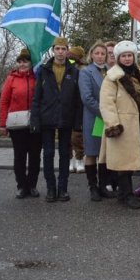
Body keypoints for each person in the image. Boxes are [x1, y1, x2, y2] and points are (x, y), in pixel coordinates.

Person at [31, 37, 82, 202]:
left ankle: (63, 188)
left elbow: (77, 99)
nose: (60, 52)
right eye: (58, 49)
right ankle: (51, 188)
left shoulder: (74, 71)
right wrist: (35, 119)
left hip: (66, 117)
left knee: (64, 154)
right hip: (47, 117)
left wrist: (77, 121)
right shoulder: (44, 70)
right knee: (48, 153)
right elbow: (37, 97)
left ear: (67, 51)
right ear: (53, 50)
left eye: (63, 49)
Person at [99, 41, 140, 209]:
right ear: (119, 58)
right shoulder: (112, 77)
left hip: (137, 124)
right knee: (123, 163)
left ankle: (124, 193)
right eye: (124, 56)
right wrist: (113, 124)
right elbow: (106, 103)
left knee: (130, 161)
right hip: (122, 125)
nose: (127, 58)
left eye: (129, 55)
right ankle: (126, 194)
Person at [0, 49, 40, 199]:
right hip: (17, 124)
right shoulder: (11, 79)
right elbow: (4, 101)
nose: (22, 64)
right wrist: (2, 124)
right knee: (20, 156)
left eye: (26, 61)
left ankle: (32, 185)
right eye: (20, 61)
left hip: (35, 122)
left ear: (31, 63)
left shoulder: (37, 76)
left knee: (35, 156)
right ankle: (21, 186)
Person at [78, 41, 115, 201]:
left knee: (104, 153)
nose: (100, 56)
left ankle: (103, 186)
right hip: (94, 117)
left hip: (108, 118)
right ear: (91, 55)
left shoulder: (111, 71)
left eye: (103, 54)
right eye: (97, 53)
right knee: (92, 153)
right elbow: (87, 98)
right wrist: (105, 112)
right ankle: (93, 187)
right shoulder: (86, 72)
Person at [68, 45, 86, 173]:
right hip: (66, 106)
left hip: (79, 106)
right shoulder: (65, 67)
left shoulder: (83, 69)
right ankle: (69, 160)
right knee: (66, 137)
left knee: (77, 136)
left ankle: (79, 159)